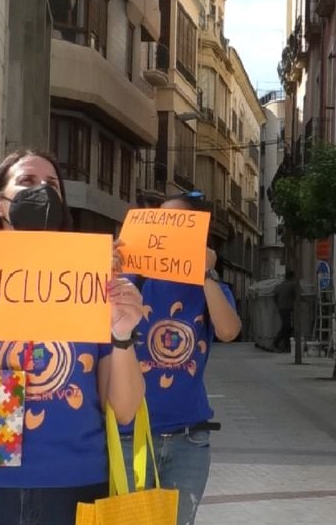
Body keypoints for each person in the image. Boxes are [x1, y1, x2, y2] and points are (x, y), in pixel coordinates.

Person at [0, 150, 146, 525]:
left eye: (52, 185)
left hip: (74, 488)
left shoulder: (93, 282)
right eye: (28, 182)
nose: (42, 192)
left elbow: (125, 407)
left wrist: (122, 334)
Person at [123, 192, 242, 525]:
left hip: (189, 439)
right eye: (160, 219)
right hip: (131, 437)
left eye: (177, 221)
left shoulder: (208, 287)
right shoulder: (134, 280)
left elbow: (229, 330)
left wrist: (204, 274)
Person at [272, 270, 299, 352]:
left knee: (287, 326)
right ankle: (275, 343)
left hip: (281, 308)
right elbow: (298, 295)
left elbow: (274, 296)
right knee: (286, 326)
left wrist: (278, 304)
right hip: (287, 308)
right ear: (292, 277)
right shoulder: (292, 285)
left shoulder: (279, 286)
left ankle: (287, 346)